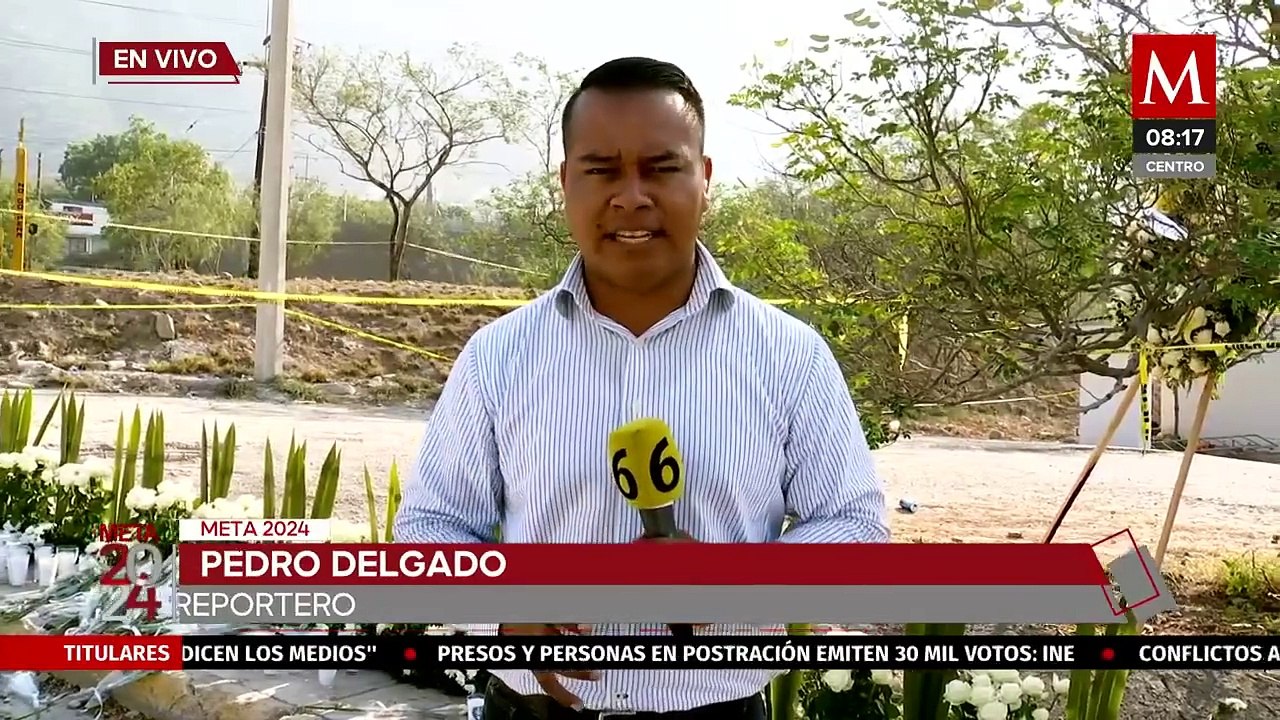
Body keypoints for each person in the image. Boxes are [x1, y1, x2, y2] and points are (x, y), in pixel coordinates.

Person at [393, 56, 890, 719]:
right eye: (601, 170)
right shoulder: (498, 356)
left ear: (704, 180)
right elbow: (430, 530)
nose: (631, 196)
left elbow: (854, 529)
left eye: (661, 168)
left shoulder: (788, 355)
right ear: (566, 183)